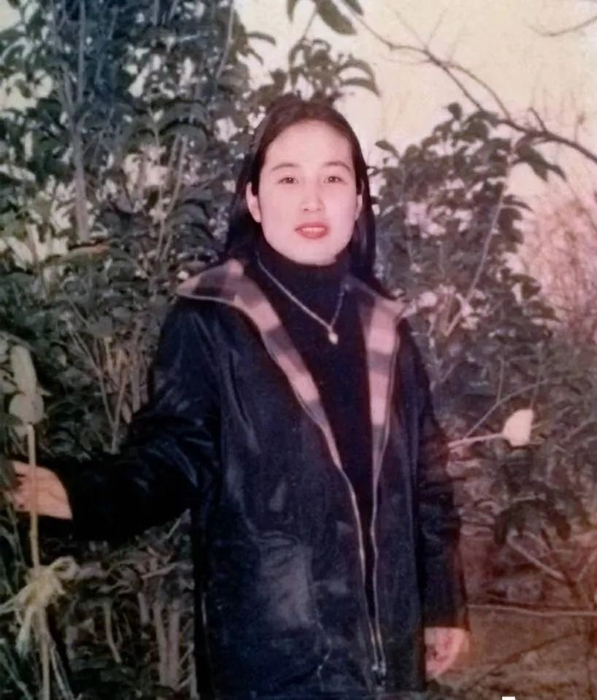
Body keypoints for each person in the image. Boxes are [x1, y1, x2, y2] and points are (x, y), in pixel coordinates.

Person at [8, 95, 469, 699]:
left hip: (390, 654)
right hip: (274, 657)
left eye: (333, 178)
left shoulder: (387, 329)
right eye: (288, 178)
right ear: (254, 199)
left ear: (358, 200)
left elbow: (427, 480)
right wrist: (73, 493)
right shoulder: (212, 319)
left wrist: (442, 600)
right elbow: (174, 456)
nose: (312, 199)